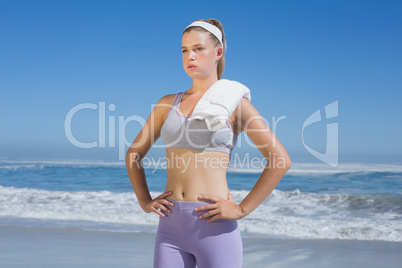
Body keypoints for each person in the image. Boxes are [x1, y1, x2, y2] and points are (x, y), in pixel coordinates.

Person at [125, 18, 292, 268]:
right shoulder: (167, 103)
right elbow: (133, 154)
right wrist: (145, 201)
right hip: (169, 227)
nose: (189, 56)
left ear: (218, 52)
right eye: (184, 50)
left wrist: (241, 209)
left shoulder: (234, 104)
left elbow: (280, 160)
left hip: (213, 226)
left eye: (198, 48)